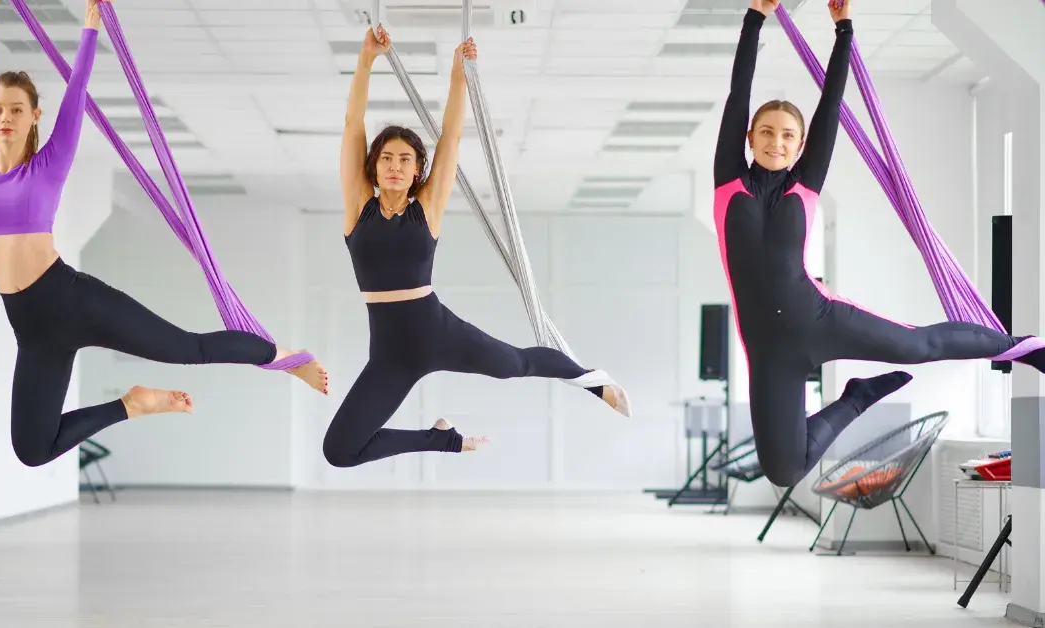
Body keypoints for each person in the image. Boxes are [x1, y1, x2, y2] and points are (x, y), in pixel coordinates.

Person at [0, 0, 328, 468]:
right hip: (31, 330)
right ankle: (132, 405)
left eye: (16, 108)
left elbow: (76, 94)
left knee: (188, 348)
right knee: (32, 450)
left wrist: (92, 28)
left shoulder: (49, 165)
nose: (3, 117)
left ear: (35, 115)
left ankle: (286, 357)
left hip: (73, 301)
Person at [713, 0, 1045, 487]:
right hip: (769, 351)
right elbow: (737, 91)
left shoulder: (805, 185)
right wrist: (755, 17)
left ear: (800, 146)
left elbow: (830, 108)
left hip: (820, 316)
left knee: (919, 345)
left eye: (788, 135)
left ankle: (1020, 346)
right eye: (766, 132)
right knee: (784, 470)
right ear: (749, 136)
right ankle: (856, 398)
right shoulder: (729, 182)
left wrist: (843, 31)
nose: (776, 142)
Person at [323, 25, 631, 469]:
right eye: (386, 158)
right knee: (339, 452)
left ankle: (591, 379)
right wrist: (365, 60)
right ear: (374, 166)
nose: (394, 165)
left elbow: (450, 138)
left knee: (514, 364)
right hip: (390, 356)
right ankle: (439, 440)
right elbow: (353, 124)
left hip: (437, 331)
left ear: (416, 172)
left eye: (405, 160)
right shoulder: (358, 207)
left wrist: (457, 74)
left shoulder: (426, 207)